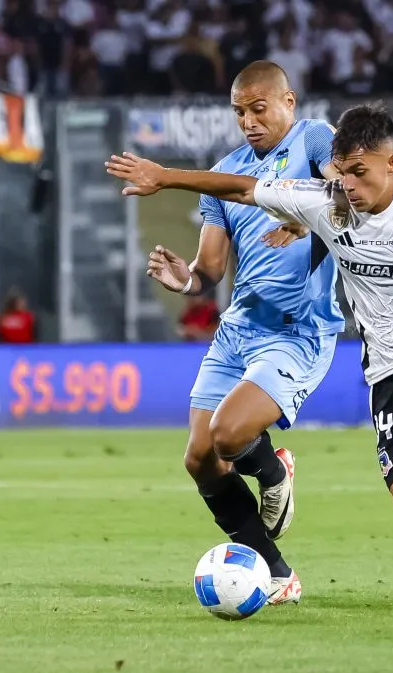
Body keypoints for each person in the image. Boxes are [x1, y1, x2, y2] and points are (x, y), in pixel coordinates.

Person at [106, 103, 393, 620]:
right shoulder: (324, 204)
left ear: (392, 164)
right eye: (342, 170)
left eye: (360, 171)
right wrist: (163, 177)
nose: (348, 184)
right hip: (387, 370)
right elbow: (240, 188)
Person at [138, 61, 346, 606]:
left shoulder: (315, 137)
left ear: (288, 102)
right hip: (237, 332)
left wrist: (306, 218)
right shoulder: (222, 173)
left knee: (230, 436)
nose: (249, 122)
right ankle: (278, 574)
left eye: (259, 109)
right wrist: (184, 279)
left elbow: (343, 195)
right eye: (239, 113)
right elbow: (209, 269)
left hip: (296, 330)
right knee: (200, 458)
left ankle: (272, 467)